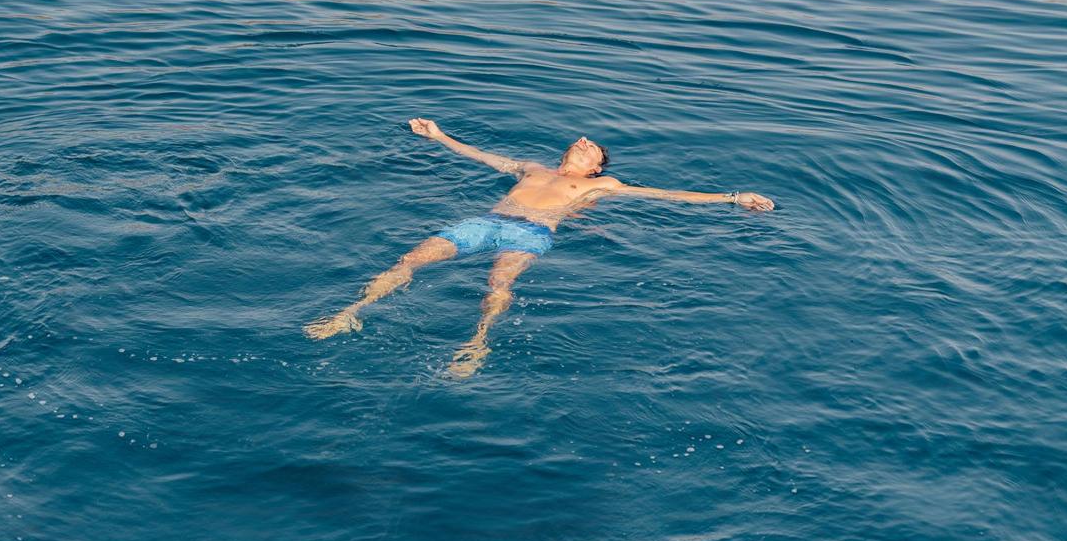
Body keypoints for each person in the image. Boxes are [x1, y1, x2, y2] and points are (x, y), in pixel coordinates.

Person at [303, 119, 775, 379]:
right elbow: (485, 156)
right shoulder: (529, 167)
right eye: (582, 141)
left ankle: (476, 343)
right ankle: (351, 311)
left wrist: (734, 198)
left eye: (593, 147)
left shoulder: (604, 185)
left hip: (530, 233)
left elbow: (666, 195)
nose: (584, 141)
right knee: (410, 260)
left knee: (497, 285)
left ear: (595, 169)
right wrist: (440, 136)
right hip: (486, 222)